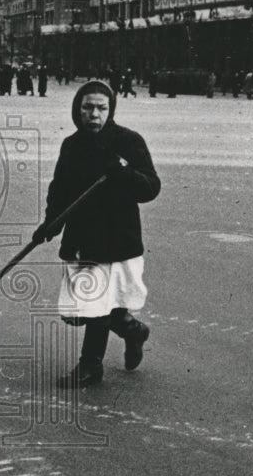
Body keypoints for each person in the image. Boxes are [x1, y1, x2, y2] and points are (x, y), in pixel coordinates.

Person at [32, 80, 161, 388]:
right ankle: (133, 330)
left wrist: (122, 173)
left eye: (101, 108)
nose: (94, 114)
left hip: (117, 238)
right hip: (83, 236)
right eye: (87, 107)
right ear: (78, 109)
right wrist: (50, 224)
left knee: (96, 305)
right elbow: (60, 189)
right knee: (96, 308)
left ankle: (91, 366)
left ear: (110, 110)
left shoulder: (128, 141)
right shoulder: (72, 145)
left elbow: (150, 187)